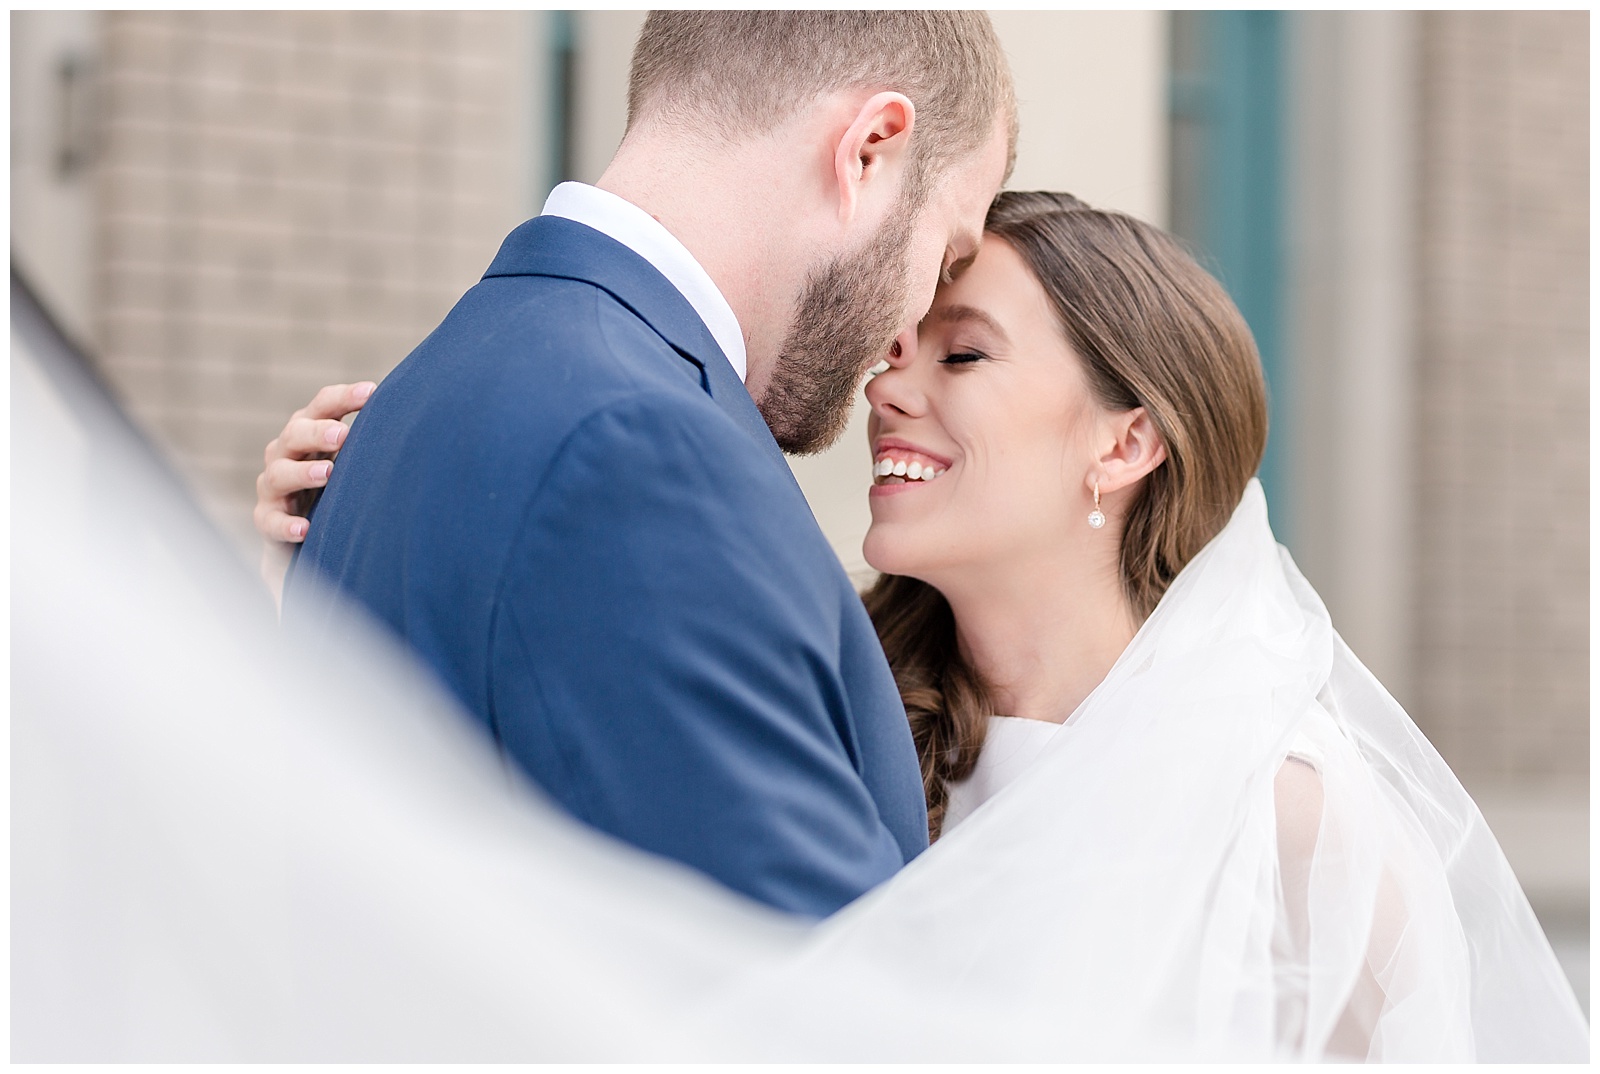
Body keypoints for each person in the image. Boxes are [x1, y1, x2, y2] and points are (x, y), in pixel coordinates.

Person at [259, 191, 1588, 1060]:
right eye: (903, 347)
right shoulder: (833, 709)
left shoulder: (1294, 822)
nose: (893, 389)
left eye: (961, 354)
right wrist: (331, 559)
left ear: (1127, 441)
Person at [269, 12, 1016, 920]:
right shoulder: (638, 450)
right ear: (868, 150)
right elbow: (807, 1004)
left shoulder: (431, 387)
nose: (909, 328)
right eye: (947, 256)